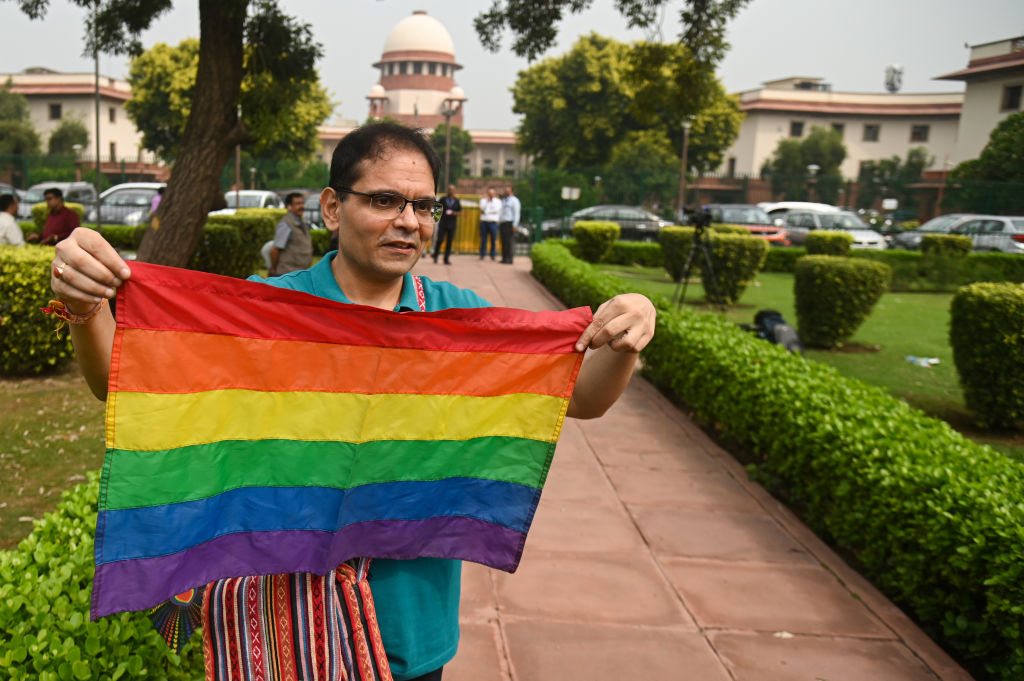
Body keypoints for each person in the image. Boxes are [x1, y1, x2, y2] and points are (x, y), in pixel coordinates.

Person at [48, 122, 656, 681]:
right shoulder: (266, 311)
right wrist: (85, 306)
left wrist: (629, 334)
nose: (409, 221)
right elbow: (120, 382)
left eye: (424, 205)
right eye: (385, 200)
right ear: (334, 206)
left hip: (407, 628)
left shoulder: (459, 322)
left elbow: (581, 398)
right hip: (280, 629)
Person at [267, 192, 312, 276]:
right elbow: (275, 250)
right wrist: (273, 269)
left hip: (300, 274)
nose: (301, 206)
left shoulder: (301, 222)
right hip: (286, 274)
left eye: (302, 203)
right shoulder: (285, 224)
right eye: (297, 204)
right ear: (289, 206)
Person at [432, 184, 460, 264]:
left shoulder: (456, 201)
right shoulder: (443, 199)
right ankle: (436, 256)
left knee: (449, 241)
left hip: (452, 223)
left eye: (452, 189)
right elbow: (437, 209)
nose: (451, 191)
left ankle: (446, 258)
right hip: (443, 222)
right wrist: (436, 218)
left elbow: (459, 211)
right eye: (449, 189)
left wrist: (454, 213)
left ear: (454, 191)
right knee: (440, 239)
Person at [498, 184, 521, 265]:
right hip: (503, 222)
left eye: (508, 190)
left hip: (510, 223)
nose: (506, 192)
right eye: (506, 190)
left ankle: (509, 258)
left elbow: (517, 213)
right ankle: (504, 257)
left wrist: (515, 225)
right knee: (504, 240)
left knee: (509, 241)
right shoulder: (504, 200)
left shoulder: (514, 200)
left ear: (512, 192)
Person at [478, 187, 501, 260]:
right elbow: (482, 208)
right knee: (483, 239)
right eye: (489, 193)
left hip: (493, 223)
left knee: (493, 239)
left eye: (492, 193)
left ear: (494, 194)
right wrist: (487, 202)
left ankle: (493, 254)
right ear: (487, 193)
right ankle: (482, 254)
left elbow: (496, 210)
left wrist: (487, 212)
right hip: (484, 222)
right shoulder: (483, 201)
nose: (490, 195)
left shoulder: (498, 201)